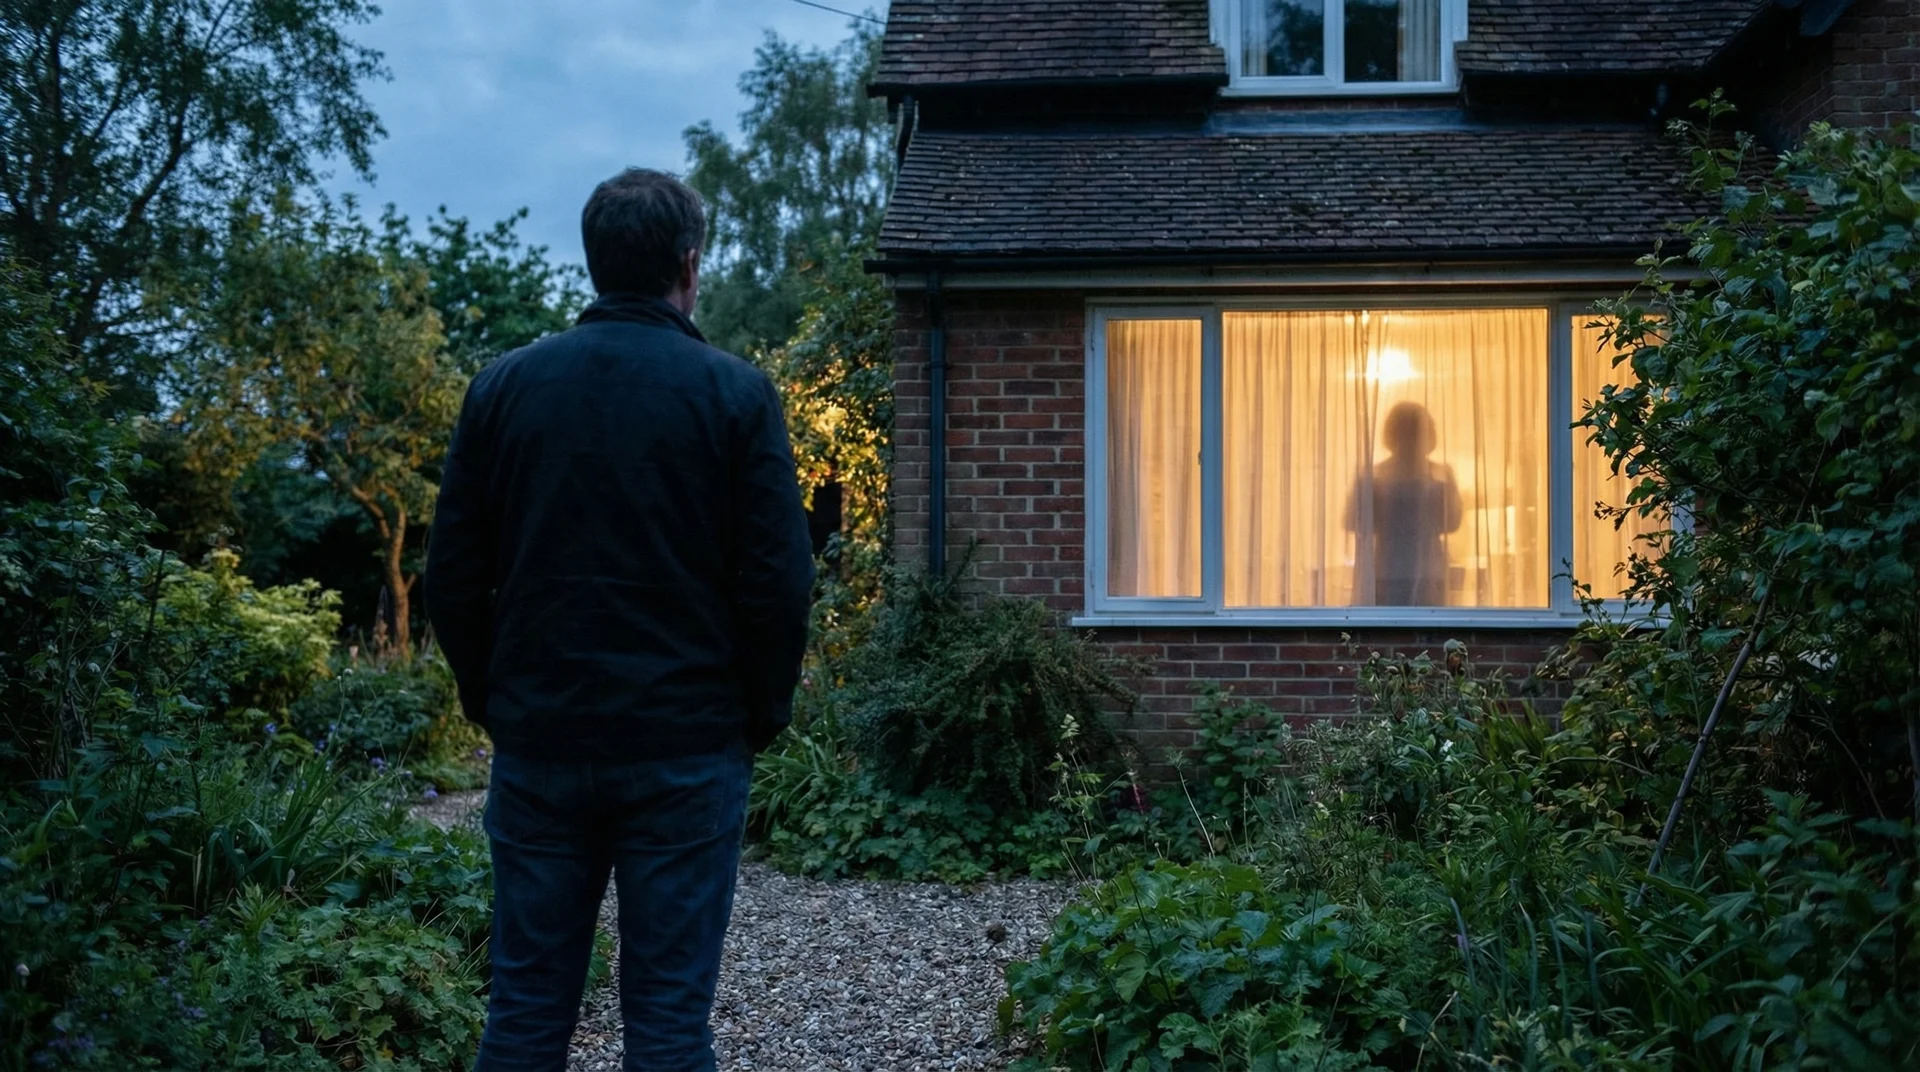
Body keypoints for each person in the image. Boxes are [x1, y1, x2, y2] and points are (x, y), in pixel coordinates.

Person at [425, 168, 814, 1072]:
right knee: (671, 1022)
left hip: (542, 740)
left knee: (523, 1010)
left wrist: (495, 700)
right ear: (690, 264)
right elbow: (778, 584)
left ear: (595, 263)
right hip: (686, 745)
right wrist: (759, 714)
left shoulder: (505, 389)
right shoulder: (734, 395)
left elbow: (452, 576)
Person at [1345, 401, 1462, 606]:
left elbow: (1452, 523)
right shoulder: (1374, 475)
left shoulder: (1374, 475)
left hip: (1409, 570)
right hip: (1395, 571)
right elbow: (1351, 521)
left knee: (1395, 632)